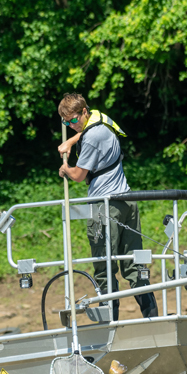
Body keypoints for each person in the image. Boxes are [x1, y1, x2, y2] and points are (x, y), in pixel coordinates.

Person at [57, 93, 158, 320]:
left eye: (73, 120)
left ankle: (110, 326)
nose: (71, 125)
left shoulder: (91, 137)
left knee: (104, 269)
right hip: (127, 201)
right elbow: (87, 133)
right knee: (135, 267)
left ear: (84, 111)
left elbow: (79, 176)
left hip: (105, 207)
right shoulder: (101, 121)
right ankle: (152, 320)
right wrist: (72, 141)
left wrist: (65, 168)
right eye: (66, 123)